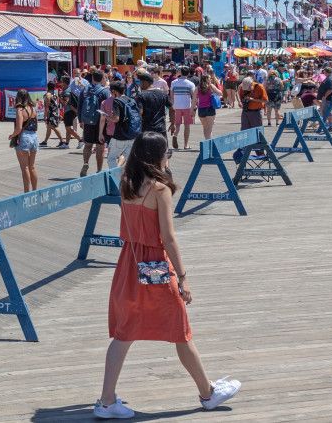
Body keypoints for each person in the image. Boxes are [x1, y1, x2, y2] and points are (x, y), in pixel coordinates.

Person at [94, 132, 240, 418]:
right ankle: (208, 393)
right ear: (158, 156)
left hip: (129, 261)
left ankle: (107, 401)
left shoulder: (125, 182)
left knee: (124, 333)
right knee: (180, 329)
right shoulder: (159, 190)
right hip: (156, 263)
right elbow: (168, 238)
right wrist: (183, 277)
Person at [78, 70, 110, 177]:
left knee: (88, 145)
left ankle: (86, 163)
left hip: (88, 122)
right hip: (100, 123)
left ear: (92, 78)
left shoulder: (85, 90)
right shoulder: (104, 91)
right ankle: (99, 170)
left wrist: (80, 120)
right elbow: (107, 109)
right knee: (100, 147)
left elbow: (80, 106)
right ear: (102, 79)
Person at [105, 81, 140, 168]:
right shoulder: (131, 99)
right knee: (130, 159)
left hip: (120, 135)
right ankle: (133, 179)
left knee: (111, 158)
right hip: (133, 133)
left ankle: (116, 179)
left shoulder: (117, 101)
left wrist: (107, 117)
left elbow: (116, 119)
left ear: (114, 91)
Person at [9, 90, 39, 192]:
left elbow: (18, 128)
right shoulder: (33, 108)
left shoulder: (20, 110)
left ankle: (26, 192)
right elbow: (36, 125)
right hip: (34, 136)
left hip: (24, 137)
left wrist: (12, 135)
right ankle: (35, 191)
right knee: (32, 167)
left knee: (25, 167)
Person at [168, 67, 197, 150]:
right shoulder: (190, 84)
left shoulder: (174, 82)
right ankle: (186, 145)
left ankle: (175, 135)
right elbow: (193, 96)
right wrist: (194, 107)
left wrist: (172, 104)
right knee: (187, 126)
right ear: (188, 73)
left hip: (176, 106)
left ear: (180, 72)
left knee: (177, 125)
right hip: (187, 106)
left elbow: (171, 95)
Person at [196, 73, 222, 140]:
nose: (211, 79)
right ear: (207, 79)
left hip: (201, 109)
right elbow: (220, 93)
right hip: (209, 108)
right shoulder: (211, 86)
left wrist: (192, 110)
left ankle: (206, 142)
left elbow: (194, 100)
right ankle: (209, 144)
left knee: (205, 127)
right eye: (210, 78)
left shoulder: (198, 88)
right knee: (209, 128)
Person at [40, 83, 62, 147]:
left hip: (51, 113)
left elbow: (47, 106)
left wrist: (45, 116)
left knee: (54, 127)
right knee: (49, 128)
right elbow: (56, 105)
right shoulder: (54, 94)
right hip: (55, 112)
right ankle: (45, 142)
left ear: (47, 87)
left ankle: (62, 141)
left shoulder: (48, 95)